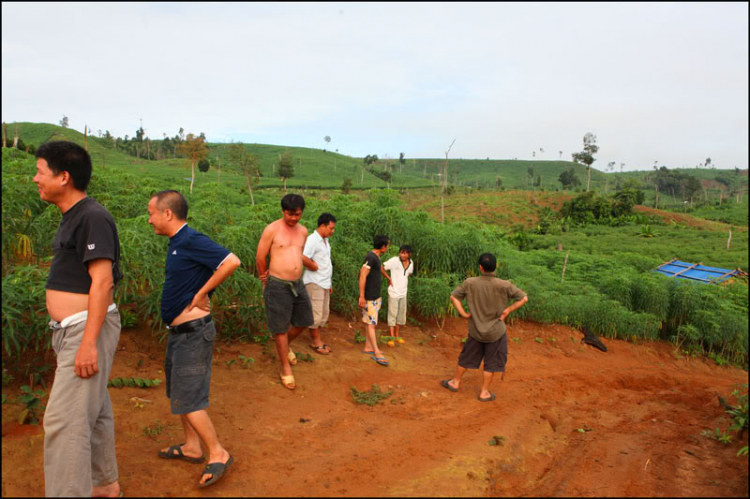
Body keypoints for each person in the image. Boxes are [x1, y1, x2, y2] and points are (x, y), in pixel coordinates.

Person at [34, 141, 123, 497]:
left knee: (64, 423)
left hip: (86, 329)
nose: (35, 178)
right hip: (75, 329)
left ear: (64, 177)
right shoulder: (75, 216)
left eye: (41, 171)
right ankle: (105, 486)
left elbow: (103, 281)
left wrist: (88, 343)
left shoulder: (92, 216)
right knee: (94, 410)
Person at [148, 190, 241, 488]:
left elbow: (231, 261)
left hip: (193, 334)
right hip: (179, 333)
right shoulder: (178, 243)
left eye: (152, 213)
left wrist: (201, 294)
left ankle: (218, 452)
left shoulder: (190, 239)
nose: (149, 219)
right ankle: (191, 446)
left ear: (167, 214)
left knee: (189, 398)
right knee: (179, 392)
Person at [441, 253, 528, 402]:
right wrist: (508, 310)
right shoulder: (504, 284)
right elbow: (524, 298)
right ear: (495, 267)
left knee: (466, 357)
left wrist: (463, 313)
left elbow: (453, 297)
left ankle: (455, 382)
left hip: (475, 329)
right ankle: (484, 392)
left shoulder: (470, 283)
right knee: (491, 363)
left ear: (480, 267)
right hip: (495, 332)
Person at [256, 194, 315, 390]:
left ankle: (284, 346)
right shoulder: (272, 229)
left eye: (297, 214)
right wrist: (263, 276)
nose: (293, 218)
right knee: (280, 328)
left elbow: (297, 253)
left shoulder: (303, 231)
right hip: (277, 284)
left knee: (305, 320)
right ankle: (285, 368)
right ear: (283, 212)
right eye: (290, 214)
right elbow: (260, 256)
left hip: (298, 284)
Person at [302, 212, 337, 355]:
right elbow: (303, 257)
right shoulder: (312, 240)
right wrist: (313, 266)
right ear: (322, 226)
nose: (332, 231)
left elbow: (325, 262)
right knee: (315, 315)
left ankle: (317, 339)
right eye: (331, 228)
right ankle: (315, 342)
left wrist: (329, 284)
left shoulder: (325, 240)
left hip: (324, 283)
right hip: (314, 282)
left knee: (323, 314)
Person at [359, 235, 392, 366]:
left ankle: (368, 346)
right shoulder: (371, 257)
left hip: (375, 296)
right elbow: (362, 275)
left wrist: (387, 277)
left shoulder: (376, 257)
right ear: (383, 246)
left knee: (370, 322)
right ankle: (377, 352)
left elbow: (380, 268)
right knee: (371, 324)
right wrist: (362, 296)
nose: (388, 247)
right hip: (369, 297)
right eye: (387, 245)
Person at [382, 245, 414, 340]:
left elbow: (408, 274)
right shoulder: (394, 261)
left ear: (409, 254)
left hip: (403, 293)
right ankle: (392, 337)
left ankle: (397, 335)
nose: (402, 255)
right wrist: (389, 278)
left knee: (400, 315)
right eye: (401, 252)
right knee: (392, 314)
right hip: (394, 292)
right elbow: (382, 267)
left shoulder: (411, 263)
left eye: (405, 253)